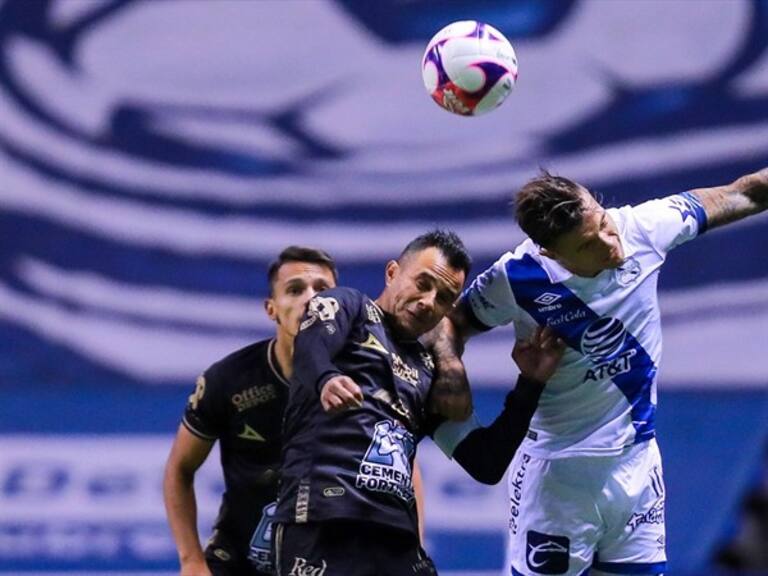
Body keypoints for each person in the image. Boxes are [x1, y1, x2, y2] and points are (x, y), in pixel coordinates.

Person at [430, 169, 768, 576]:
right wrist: (450, 369)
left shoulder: (644, 227)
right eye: (588, 245)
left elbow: (744, 194)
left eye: (604, 222)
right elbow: (451, 323)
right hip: (558, 475)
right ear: (550, 252)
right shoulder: (516, 277)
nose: (611, 243)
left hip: (636, 465)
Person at [273, 230, 566, 576]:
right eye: (422, 284)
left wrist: (530, 384)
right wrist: (327, 379)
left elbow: (486, 463)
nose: (428, 302)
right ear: (392, 272)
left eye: (444, 298)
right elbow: (310, 346)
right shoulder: (350, 307)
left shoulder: (428, 370)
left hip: (398, 542)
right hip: (324, 524)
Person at [163, 246, 339, 576]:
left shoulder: (364, 377)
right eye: (295, 290)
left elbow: (401, 468)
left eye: (322, 289)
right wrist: (191, 561)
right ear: (271, 309)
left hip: (331, 563)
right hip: (240, 561)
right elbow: (179, 468)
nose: (311, 299)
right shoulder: (228, 381)